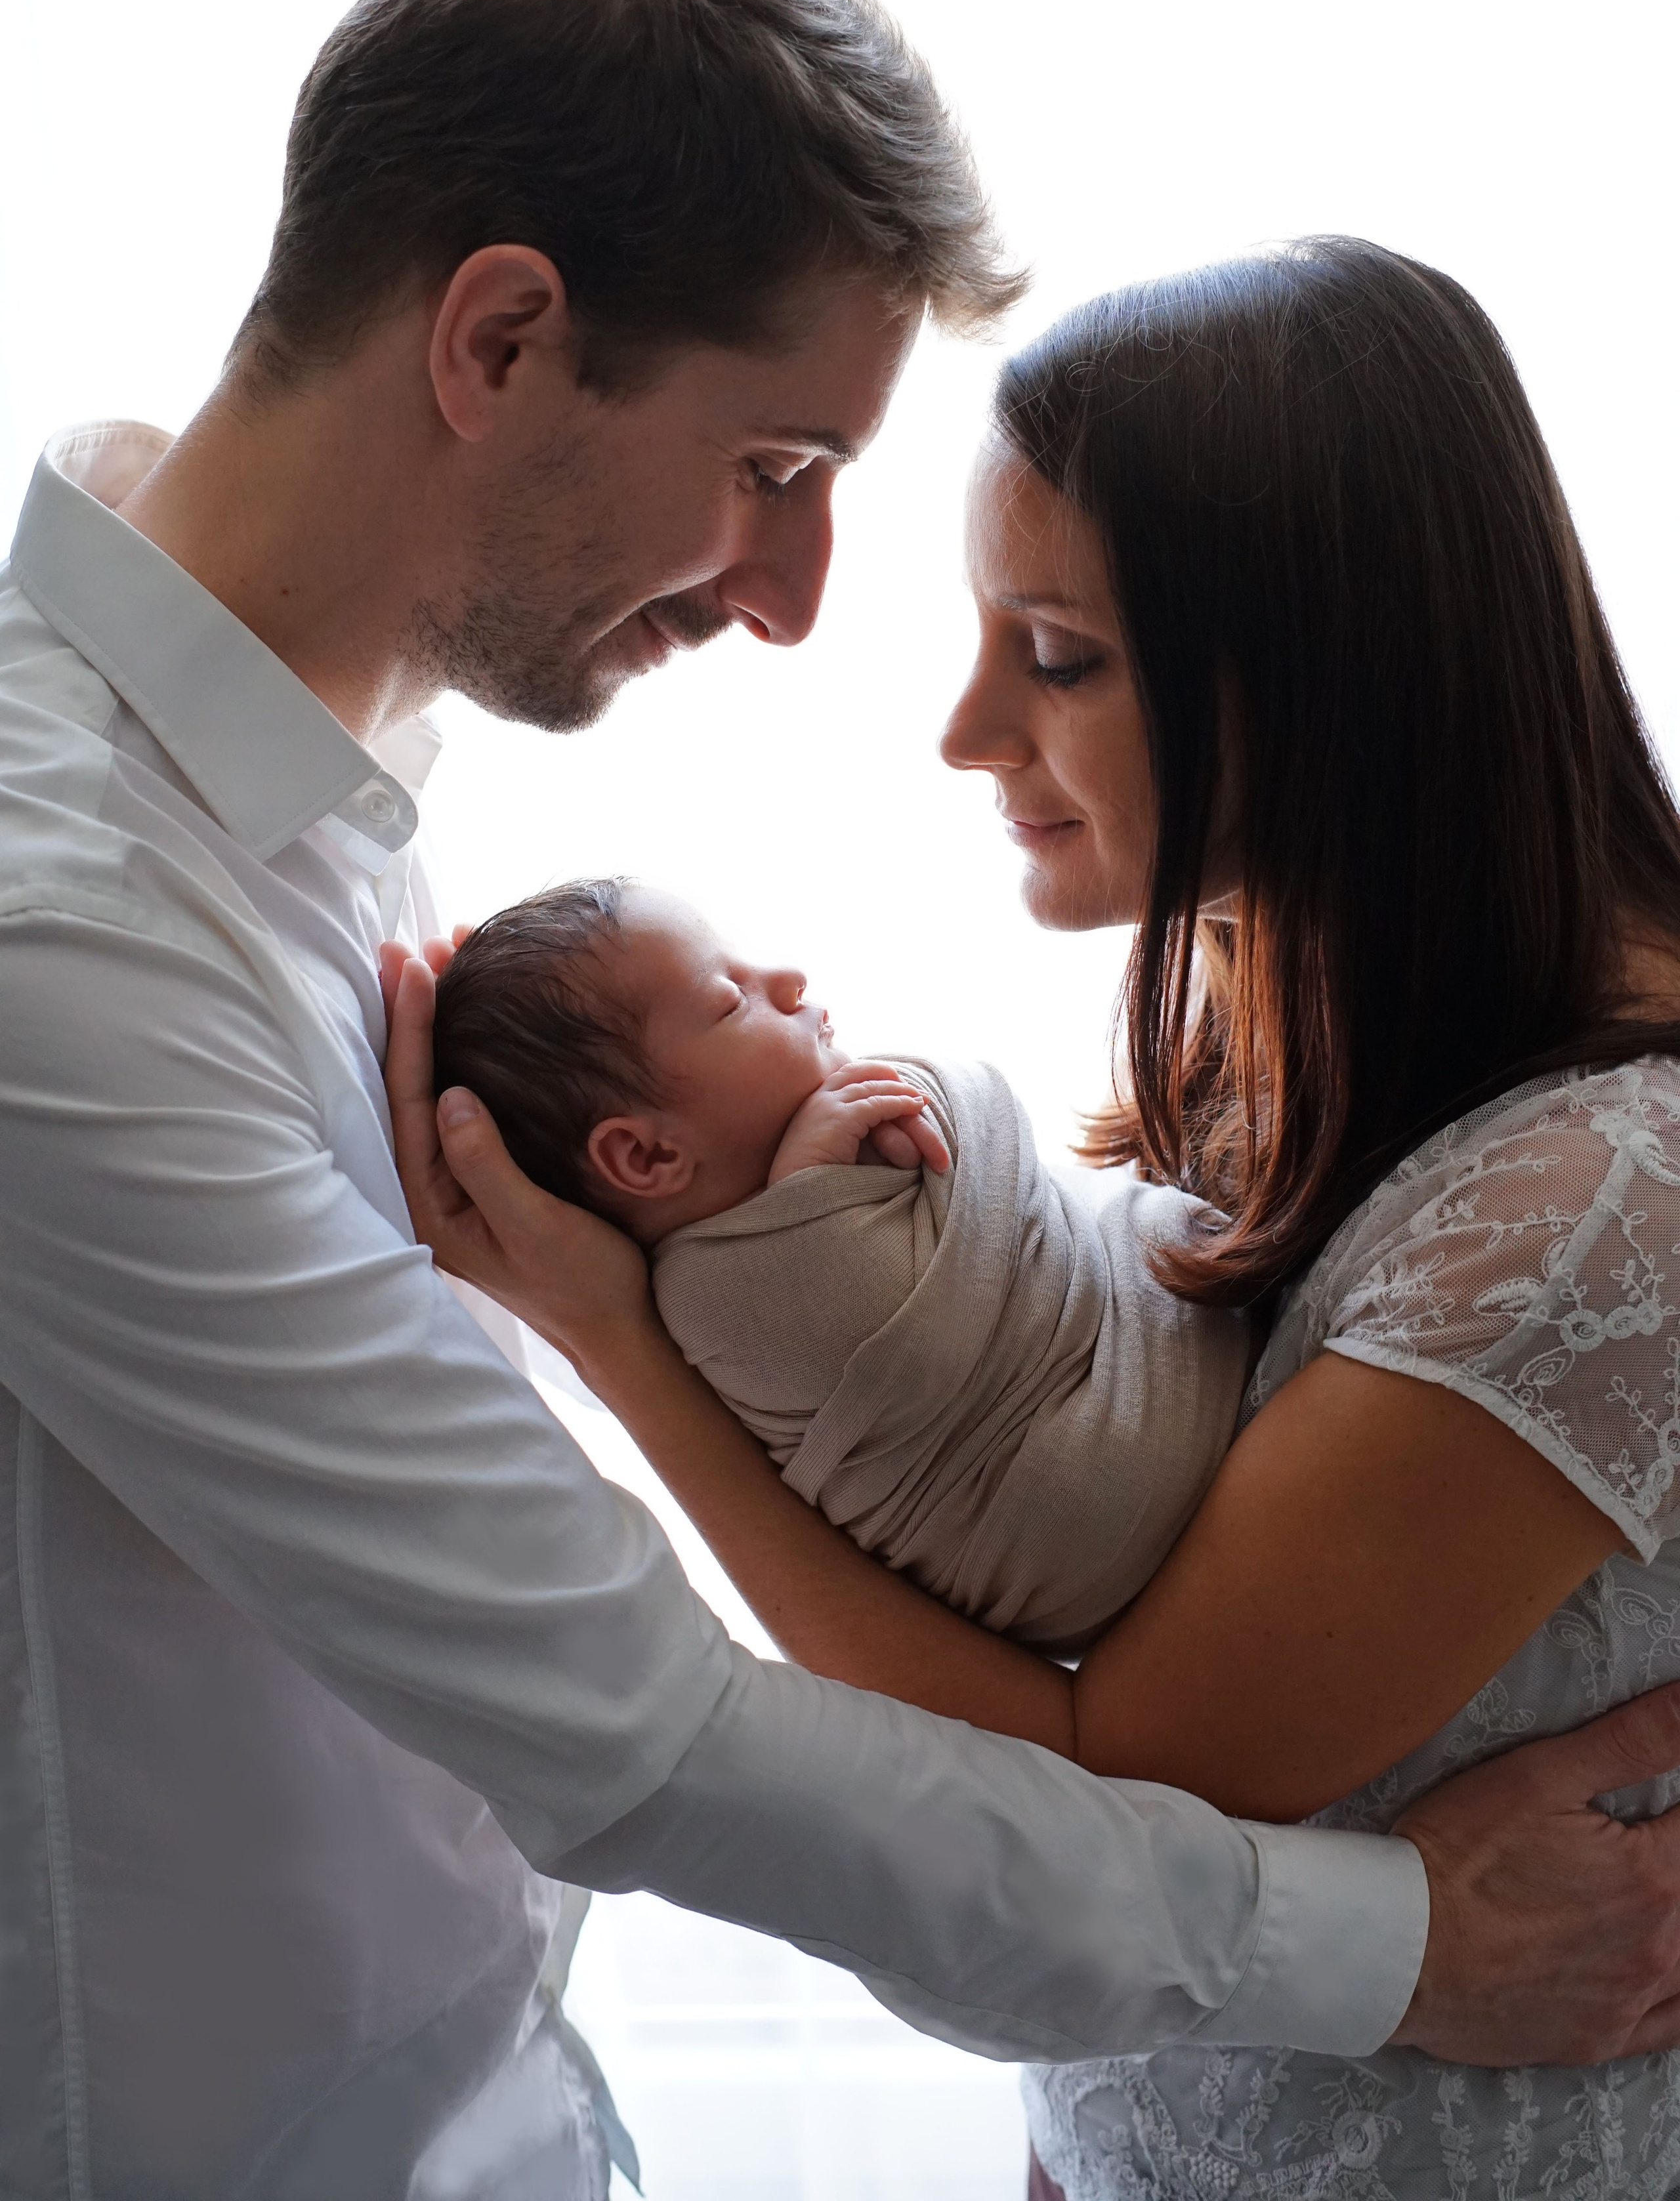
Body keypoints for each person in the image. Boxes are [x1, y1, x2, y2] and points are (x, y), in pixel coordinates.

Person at [3, 0, 1680, 2200]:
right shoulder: (61, 949)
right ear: (495, 341)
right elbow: (640, 1723)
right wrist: (1397, 1945)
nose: (799, 607)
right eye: (772, 467)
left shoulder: (336, 829)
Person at [411, 236, 1680, 2195]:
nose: (966, 728)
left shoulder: (1594, 1203)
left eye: (1059, 655)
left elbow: (1082, 1791)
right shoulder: (1296, 1002)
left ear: (1331, 687)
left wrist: (628, 1350)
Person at [429, 875, 1249, 1650]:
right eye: (727, 1001)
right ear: (644, 1157)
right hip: (1101, 1500)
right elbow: (975, 1107)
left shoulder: (756, 1261)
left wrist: (846, 1176)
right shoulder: (713, 1305)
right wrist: (848, 1162)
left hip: (1117, 1534)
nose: (787, 978)